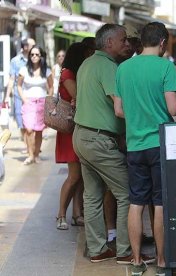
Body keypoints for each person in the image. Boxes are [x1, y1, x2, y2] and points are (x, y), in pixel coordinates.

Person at [114, 22, 176, 276]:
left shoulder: (123, 68)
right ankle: (162, 261)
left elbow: (119, 111)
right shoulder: (165, 67)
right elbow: (173, 109)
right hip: (160, 144)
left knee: (136, 202)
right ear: (163, 42)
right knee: (161, 202)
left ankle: (135, 261)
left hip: (134, 145)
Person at [72, 23, 132, 263]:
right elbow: (119, 108)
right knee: (128, 193)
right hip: (98, 140)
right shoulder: (107, 66)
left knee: (93, 195)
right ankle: (127, 250)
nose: (127, 44)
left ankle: (97, 249)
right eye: (123, 40)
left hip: (82, 135)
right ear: (109, 43)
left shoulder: (87, 63)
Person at [55, 42, 89, 230]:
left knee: (81, 176)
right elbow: (78, 95)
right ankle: (61, 214)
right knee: (74, 175)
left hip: (78, 126)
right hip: (70, 128)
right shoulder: (68, 73)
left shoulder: (75, 73)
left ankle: (77, 213)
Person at [17, 45, 52, 165]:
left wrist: (49, 99)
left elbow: (51, 86)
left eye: (37, 54)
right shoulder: (24, 70)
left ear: (41, 56)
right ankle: (30, 155)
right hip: (29, 102)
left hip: (42, 103)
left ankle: (36, 155)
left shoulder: (46, 71)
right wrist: (24, 99)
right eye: (32, 54)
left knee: (39, 131)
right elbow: (19, 86)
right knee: (29, 129)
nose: (34, 57)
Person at [4, 38, 35, 147]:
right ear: (25, 47)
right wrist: (7, 96)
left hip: (32, 95)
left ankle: (32, 146)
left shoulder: (36, 59)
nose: (35, 48)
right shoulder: (15, 61)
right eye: (32, 45)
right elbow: (12, 79)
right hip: (18, 95)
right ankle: (28, 146)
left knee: (33, 123)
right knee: (21, 122)